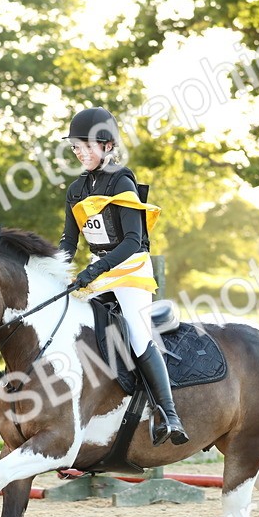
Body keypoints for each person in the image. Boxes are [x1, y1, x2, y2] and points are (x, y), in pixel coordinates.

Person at [58, 106, 189, 447]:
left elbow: (132, 241)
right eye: (76, 147)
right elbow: (68, 243)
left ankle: (168, 412)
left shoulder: (121, 179)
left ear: (107, 146)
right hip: (98, 273)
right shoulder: (75, 189)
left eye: (86, 145)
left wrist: (95, 269)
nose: (80, 152)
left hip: (130, 270)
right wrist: (54, 270)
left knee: (136, 334)